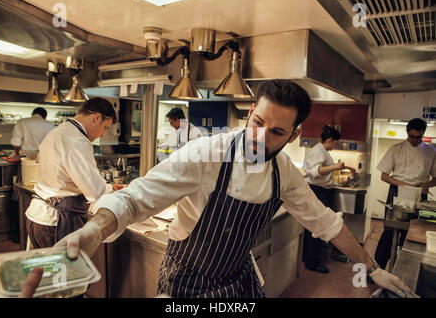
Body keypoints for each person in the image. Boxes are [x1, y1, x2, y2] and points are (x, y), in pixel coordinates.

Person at [55, 80, 413, 298]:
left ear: (295, 135)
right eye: (257, 122)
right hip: (186, 282)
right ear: (250, 112)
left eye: (276, 132)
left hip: (237, 278)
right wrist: (93, 229)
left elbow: (325, 222)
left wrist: (371, 266)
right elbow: (134, 197)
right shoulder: (205, 154)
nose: (260, 138)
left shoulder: (283, 172)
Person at [25, 97, 123, 249]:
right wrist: (112, 189)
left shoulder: (59, 131)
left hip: (39, 218)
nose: (103, 134)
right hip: (56, 222)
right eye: (105, 127)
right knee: (64, 272)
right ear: (97, 117)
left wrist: (108, 187)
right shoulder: (76, 140)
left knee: (46, 271)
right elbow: (94, 191)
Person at [374, 118, 436, 269]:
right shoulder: (396, 149)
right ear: (407, 132)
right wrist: (405, 185)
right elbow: (384, 175)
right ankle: (377, 269)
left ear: (423, 134)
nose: (415, 140)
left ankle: (402, 269)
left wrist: (425, 185)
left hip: (420, 193)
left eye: (418, 137)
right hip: (397, 191)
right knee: (389, 232)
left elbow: (435, 178)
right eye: (412, 137)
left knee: (411, 234)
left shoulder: (431, 152)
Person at [302, 125, 356, 273]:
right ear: (330, 140)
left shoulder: (323, 151)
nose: (335, 145)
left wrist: (343, 167)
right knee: (316, 226)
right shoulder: (318, 151)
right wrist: (336, 166)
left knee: (320, 225)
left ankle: (314, 257)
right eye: (335, 142)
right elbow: (316, 172)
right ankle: (311, 262)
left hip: (322, 191)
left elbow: (325, 170)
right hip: (316, 191)